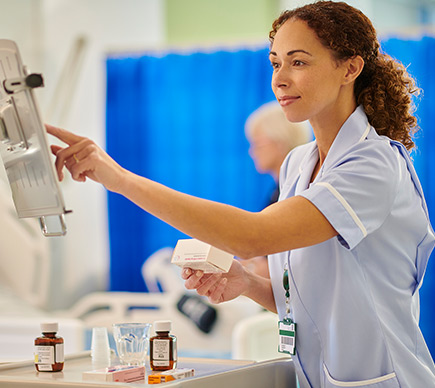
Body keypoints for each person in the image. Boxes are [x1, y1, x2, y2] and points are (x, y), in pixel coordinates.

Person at [46, 1, 435, 387]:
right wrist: (247, 285)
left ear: (350, 68)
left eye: (298, 62)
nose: (279, 79)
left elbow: (252, 236)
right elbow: (306, 304)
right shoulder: (299, 164)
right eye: (275, 63)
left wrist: (118, 178)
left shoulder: (374, 163)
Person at [242, 102, 311, 277]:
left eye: (257, 144)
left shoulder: (297, 192)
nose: (252, 152)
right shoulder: (278, 189)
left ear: (280, 141)